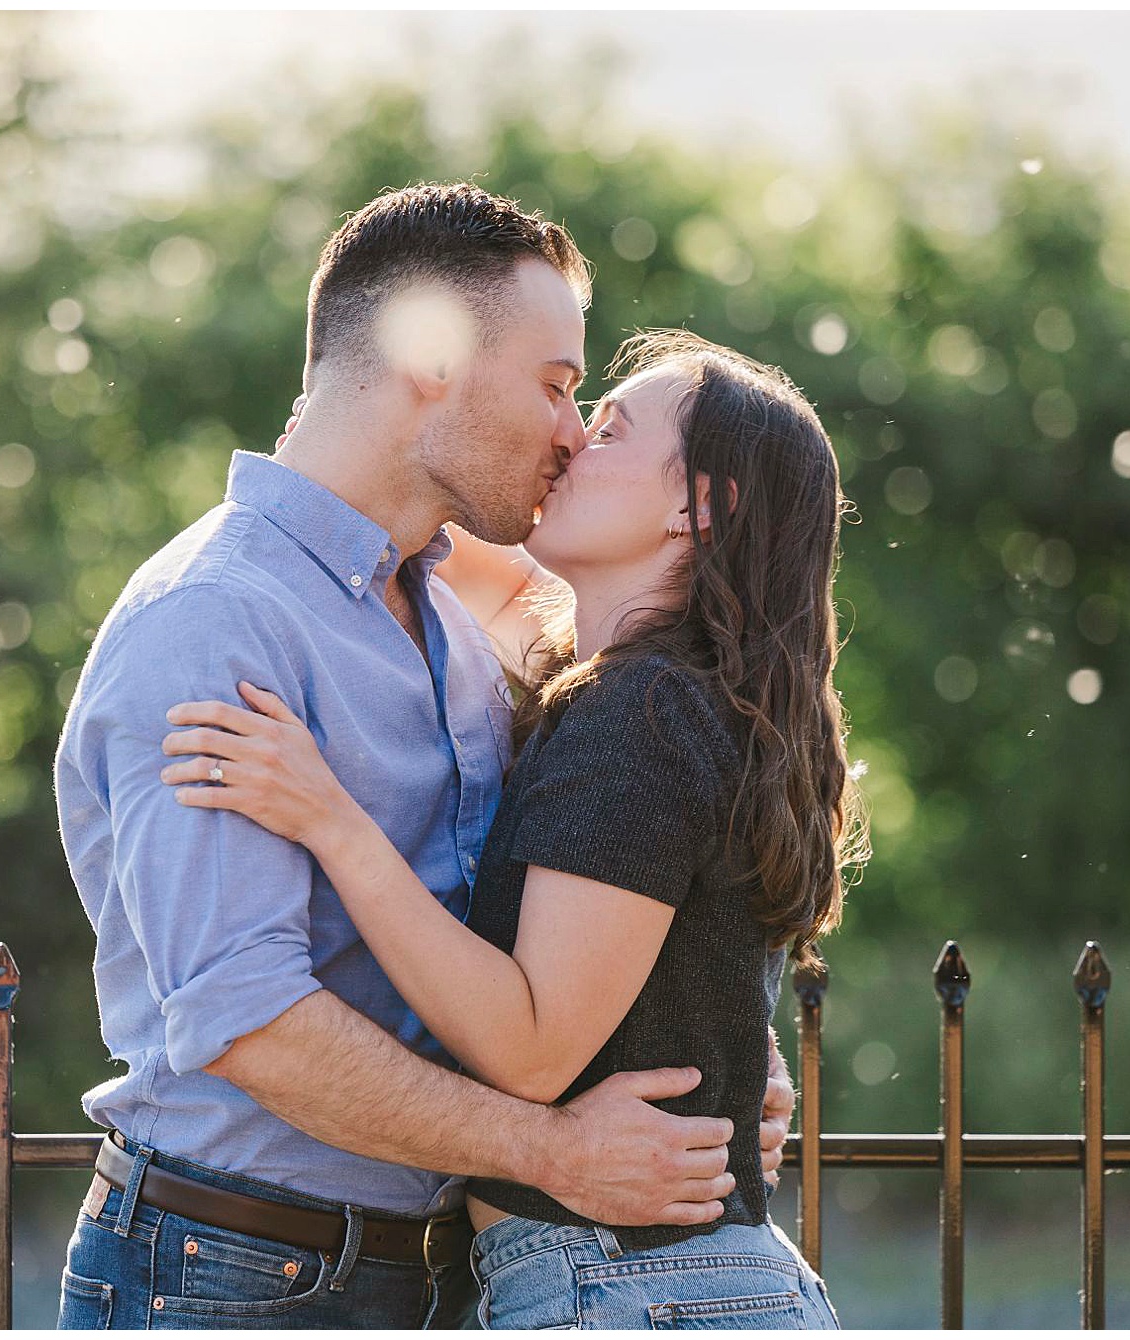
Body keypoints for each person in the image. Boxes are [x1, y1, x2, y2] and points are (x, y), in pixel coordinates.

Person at [52, 184, 793, 1329]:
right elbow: (250, 1022)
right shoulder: (214, 624)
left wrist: (721, 1048)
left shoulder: (446, 626)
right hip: (233, 1270)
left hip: (443, 1275)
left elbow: (562, 902)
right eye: (555, 386)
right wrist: (555, 1149)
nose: (567, 430)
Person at [159, 328, 863, 1328]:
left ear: (695, 506)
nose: (574, 440)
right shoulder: (682, 700)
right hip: (664, 1282)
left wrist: (330, 820)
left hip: (631, 1286)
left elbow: (529, 1052)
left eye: (611, 428)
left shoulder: (642, 712)